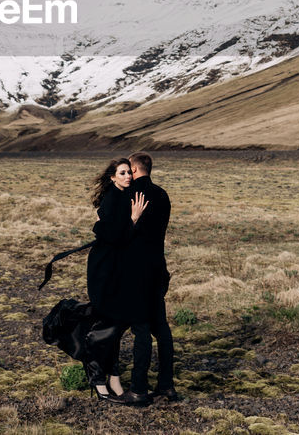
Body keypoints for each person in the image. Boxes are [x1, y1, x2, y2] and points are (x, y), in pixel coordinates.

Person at [116, 150, 177, 406]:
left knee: (140, 328)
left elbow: (121, 233)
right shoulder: (163, 195)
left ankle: (139, 388)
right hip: (158, 268)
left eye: (129, 169)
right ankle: (166, 386)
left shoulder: (129, 195)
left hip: (136, 271)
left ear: (134, 168)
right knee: (161, 328)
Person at [85, 157, 147, 401]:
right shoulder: (113, 198)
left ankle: (113, 377)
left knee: (116, 326)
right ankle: (100, 381)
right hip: (104, 271)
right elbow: (110, 235)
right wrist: (133, 219)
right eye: (122, 173)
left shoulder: (125, 196)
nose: (128, 176)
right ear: (112, 177)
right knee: (107, 328)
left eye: (129, 173)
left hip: (116, 270)